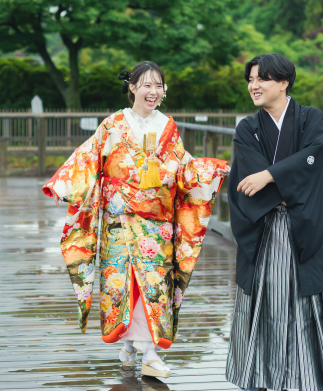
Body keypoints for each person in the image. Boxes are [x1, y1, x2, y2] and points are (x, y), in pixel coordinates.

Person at [43, 61, 228, 378]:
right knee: (121, 282)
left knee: (155, 283)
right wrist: (64, 185)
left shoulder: (168, 127)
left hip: (157, 222)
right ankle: (131, 345)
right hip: (118, 220)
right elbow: (88, 157)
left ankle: (150, 353)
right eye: (147, 85)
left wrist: (209, 171)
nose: (154, 92)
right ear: (132, 87)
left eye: (159, 86)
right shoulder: (113, 124)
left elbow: (183, 168)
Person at [225, 53, 323, 391]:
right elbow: (248, 180)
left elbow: (312, 161)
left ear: (284, 82)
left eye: (261, 79)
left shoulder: (311, 119)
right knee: (271, 307)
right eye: (250, 79)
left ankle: (309, 380)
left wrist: (269, 175)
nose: (254, 86)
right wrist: (271, 182)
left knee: (308, 305)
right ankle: (266, 377)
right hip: (267, 230)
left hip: (304, 227)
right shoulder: (248, 128)